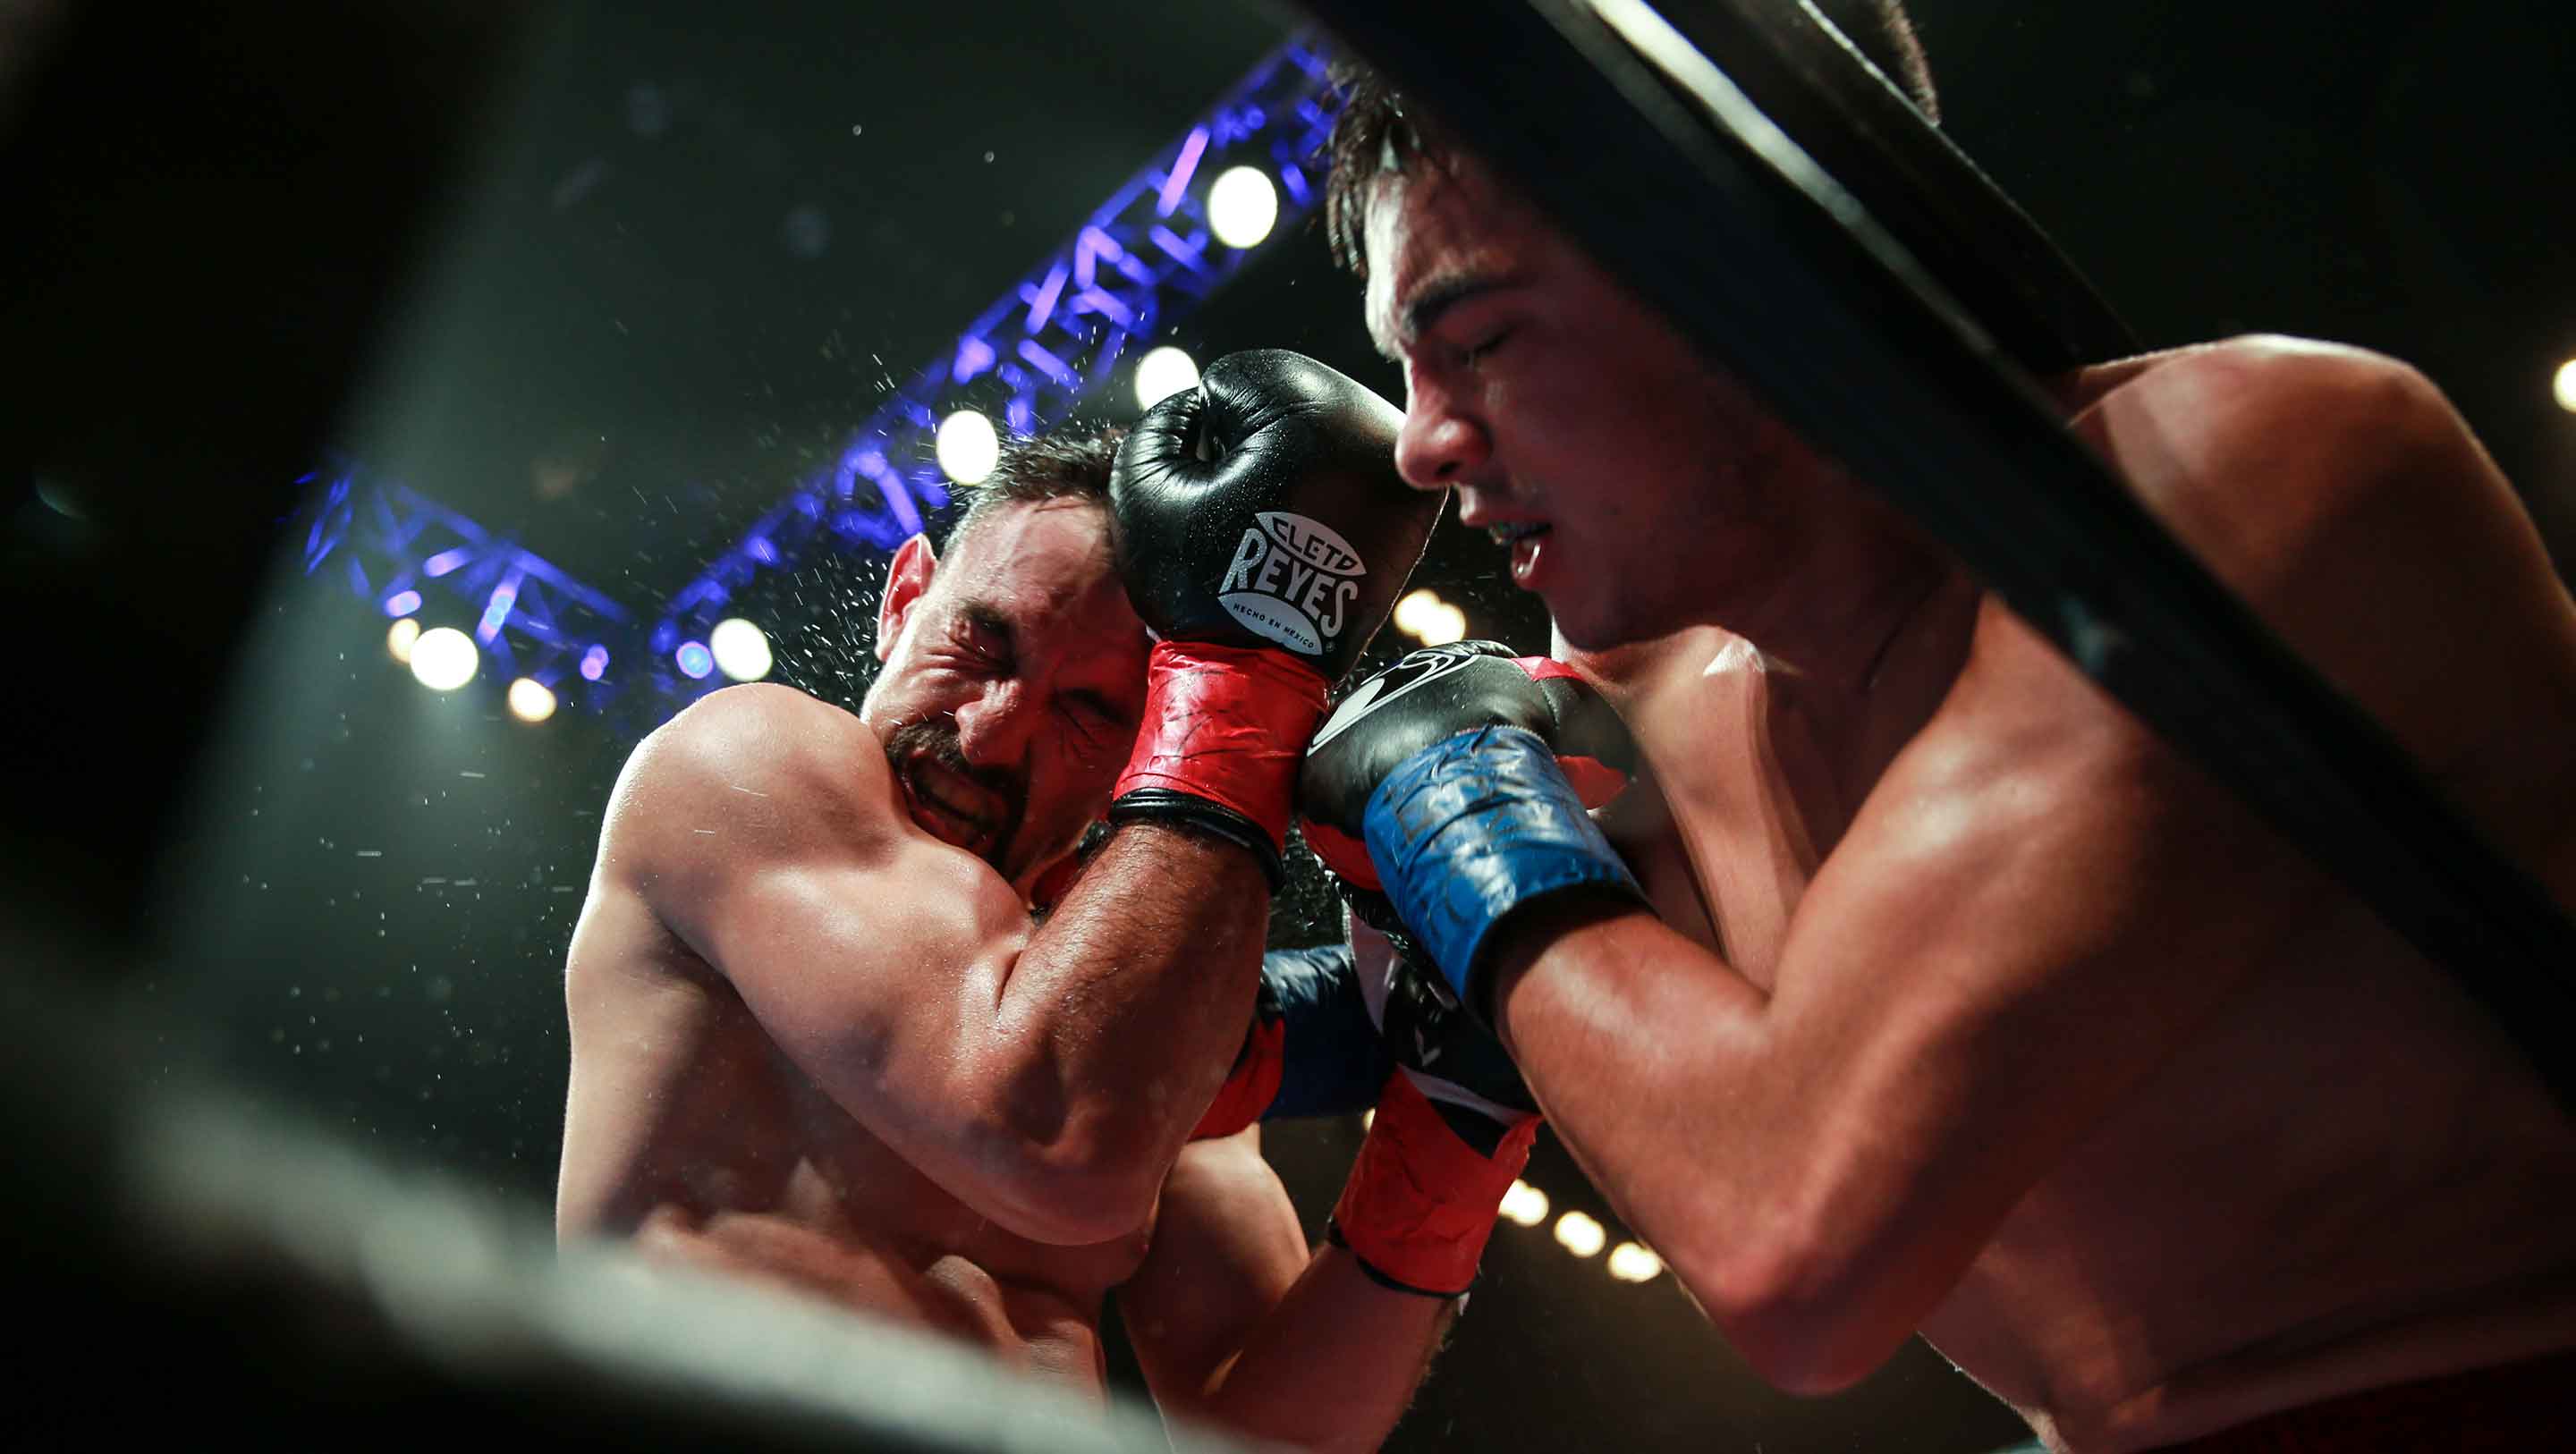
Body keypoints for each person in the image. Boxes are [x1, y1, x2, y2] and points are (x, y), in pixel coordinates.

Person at [1299, 3, 2576, 1449]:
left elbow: (1794, 1249)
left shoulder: (2246, 482)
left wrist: (1454, 813)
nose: (1419, 439)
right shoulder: (1633, 716)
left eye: (1475, 339)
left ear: (1734, 264)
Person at [553, 358, 1529, 1450]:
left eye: (1087, 709)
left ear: (1139, 751)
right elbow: (1050, 1142)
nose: (989, 735)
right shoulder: (746, 763)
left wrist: (1454, 1125)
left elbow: (1270, 1434)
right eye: (982, 643)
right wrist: (1247, 682)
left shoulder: (1137, 1000)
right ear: (904, 597)